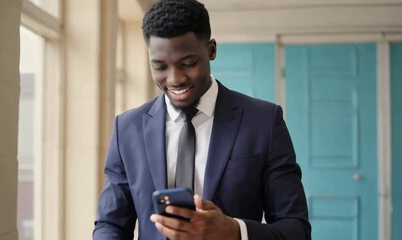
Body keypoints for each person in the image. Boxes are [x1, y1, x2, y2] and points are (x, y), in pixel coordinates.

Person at [93, 0, 311, 239]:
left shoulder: (263, 122)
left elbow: (296, 229)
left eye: (188, 63)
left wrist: (234, 231)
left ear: (211, 50)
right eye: (160, 66)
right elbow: (110, 225)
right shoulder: (127, 129)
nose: (175, 79)